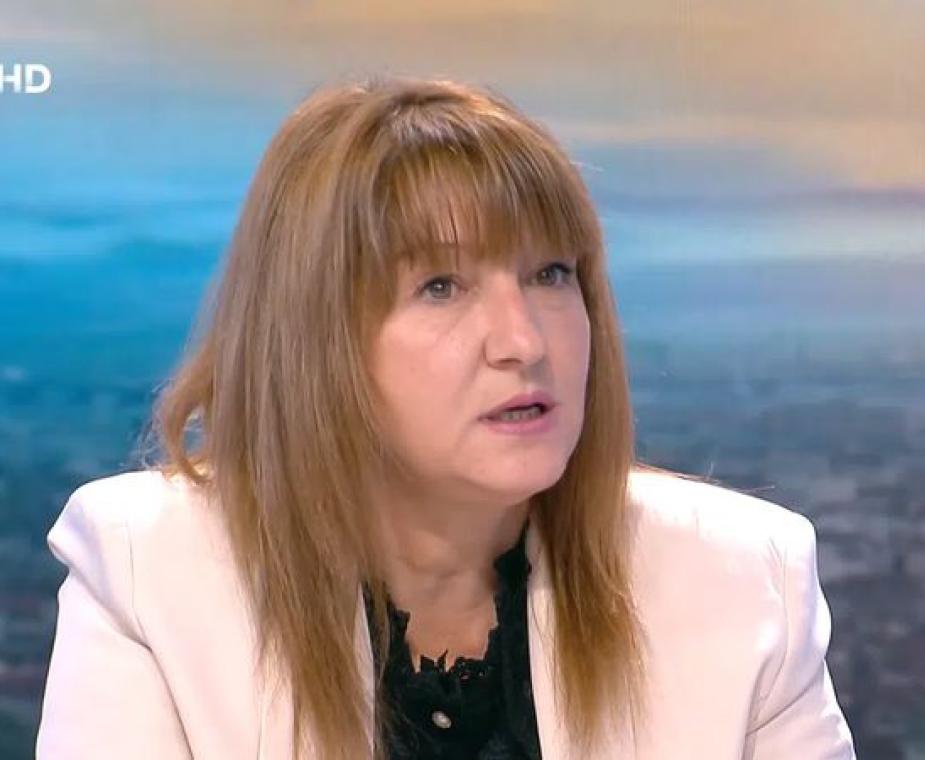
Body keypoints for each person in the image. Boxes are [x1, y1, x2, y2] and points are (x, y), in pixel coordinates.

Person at [36, 75, 856, 759]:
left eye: (550, 274)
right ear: (316, 338)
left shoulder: (743, 581)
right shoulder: (149, 573)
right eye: (440, 287)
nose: (523, 341)